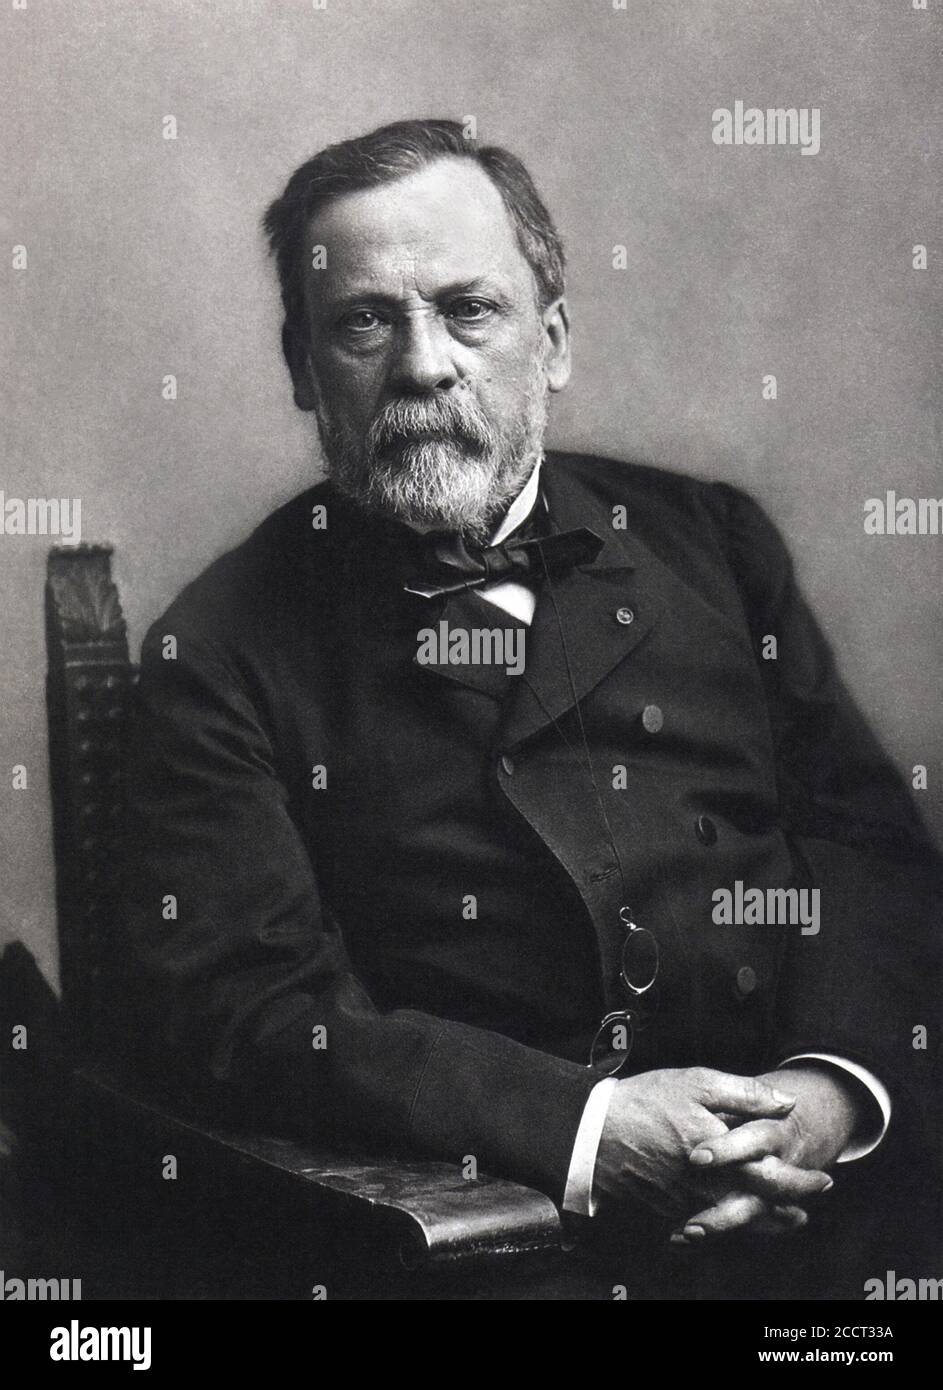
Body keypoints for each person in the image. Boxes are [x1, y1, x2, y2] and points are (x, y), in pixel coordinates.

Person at [122, 119, 939, 1290]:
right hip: (503, 1236)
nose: (422, 364)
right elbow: (250, 1014)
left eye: (470, 309)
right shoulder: (216, 653)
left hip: (825, 1202)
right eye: (364, 321)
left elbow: (869, 852)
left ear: (549, 340)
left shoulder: (712, 542)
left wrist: (833, 1088)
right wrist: (586, 1134)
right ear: (302, 369)